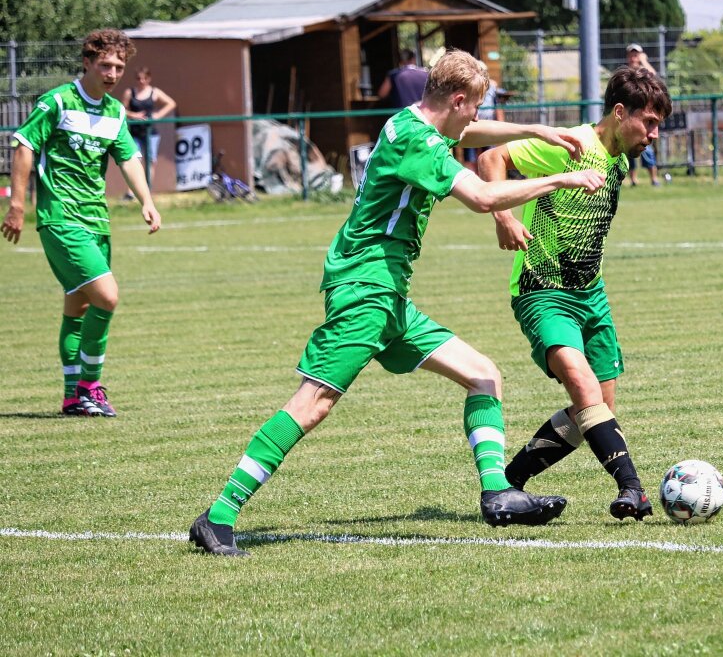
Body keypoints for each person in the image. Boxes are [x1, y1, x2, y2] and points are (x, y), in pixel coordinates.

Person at [189, 50, 607, 556]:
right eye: (474, 106)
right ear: (456, 100)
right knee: (314, 402)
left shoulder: (409, 121)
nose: (476, 116)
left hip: (387, 292)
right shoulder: (420, 143)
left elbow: (468, 134)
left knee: (483, 374)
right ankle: (219, 516)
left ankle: (498, 494)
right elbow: (482, 197)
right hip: (365, 288)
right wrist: (563, 179)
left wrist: (536, 131)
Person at [477, 66, 672, 520]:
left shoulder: (620, 158)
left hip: (592, 296)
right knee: (585, 390)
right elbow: (491, 159)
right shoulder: (572, 145)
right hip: (541, 291)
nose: (654, 134)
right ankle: (633, 489)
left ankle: (508, 484)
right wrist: (504, 217)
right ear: (619, 112)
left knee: (595, 410)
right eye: (649, 122)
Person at [1, 29, 162, 417]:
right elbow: (24, 146)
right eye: (105, 64)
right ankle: (91, 387)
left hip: (97, 222)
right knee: (107, 296)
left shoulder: (115, 112)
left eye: (119, 66)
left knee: (77, 309)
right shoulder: (57, 101)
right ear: (87, 62)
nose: (112, 72)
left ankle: (73, 396)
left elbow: (128, 158)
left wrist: (147, 200)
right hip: (60, 219)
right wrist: (18, 205)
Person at [120, 68, 176, 194]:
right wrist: (134, 115)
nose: (141, 81)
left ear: (149, 79)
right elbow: (121, 110)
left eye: (144, 78)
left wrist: (157, 116)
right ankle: (131, 193)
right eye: (139, 78)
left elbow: (171, 103)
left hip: (151, 133)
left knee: (151, 161)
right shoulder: (130, 92)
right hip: (134, 133)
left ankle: (147, 191)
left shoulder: (154, 92)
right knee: (134, 161)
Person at [625, 43, 663, 187]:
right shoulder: (625, 71)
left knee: (646, 147)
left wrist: (644, 61)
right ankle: (633, 180)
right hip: (629, 117)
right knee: (629, 149)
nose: (633, 57)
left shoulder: (644, 71)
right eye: (631, 54)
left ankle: (654, 179)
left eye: (636, 54)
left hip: (643, 116)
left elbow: (653, 76)